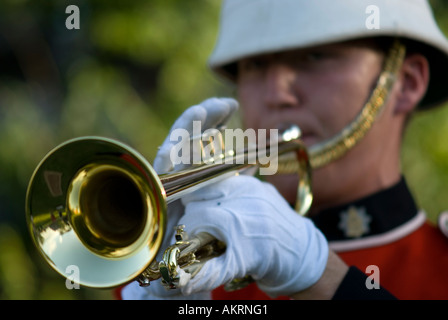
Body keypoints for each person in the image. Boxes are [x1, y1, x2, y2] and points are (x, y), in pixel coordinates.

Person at [121, 0, 448, 300]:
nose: (276, 94)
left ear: (406, 82)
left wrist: (323, 278)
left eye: (315, 56)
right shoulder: (204, 279)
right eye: (255, 65)